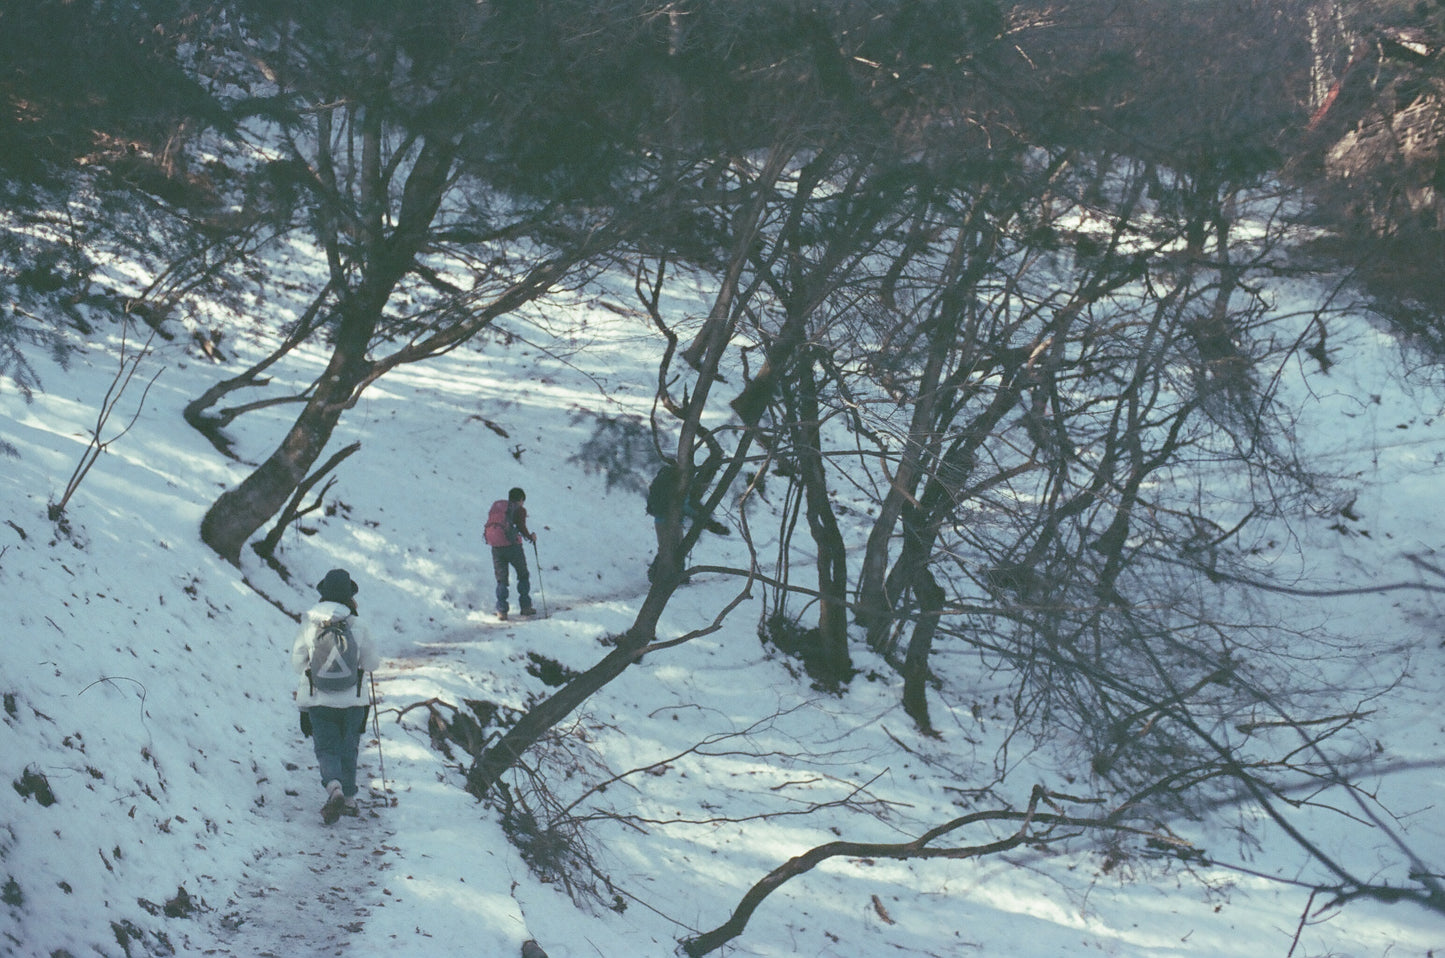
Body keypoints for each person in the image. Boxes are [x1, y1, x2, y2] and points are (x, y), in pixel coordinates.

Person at [291, 568, 379, 825]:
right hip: (353, 702)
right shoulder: (358, 624)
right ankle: (350, 800)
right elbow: (372, 664)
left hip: (319, 700)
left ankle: (334, 789)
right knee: (349, 747)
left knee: (327, 749)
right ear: (349, 595)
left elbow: (298, 664)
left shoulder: (309, 622)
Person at [646, 460, 729, 582]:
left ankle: (672, 576)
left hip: (667, 520)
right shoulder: (681, 484)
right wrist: (698, 516)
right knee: (669, 549)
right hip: (665, 520)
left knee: (672, 547)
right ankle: (657, 576)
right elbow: (684, 505)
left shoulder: (679, 482)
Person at [485, 487, 537, 620]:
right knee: (523, 574)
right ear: (520, 499)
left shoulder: (499, 508)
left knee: (501, 579)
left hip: (496, 547)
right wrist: (530, 537)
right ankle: (525, 607)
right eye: (522, 501)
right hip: (513, 547)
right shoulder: (519, 510)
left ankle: (501, 610)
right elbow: (521, 526)